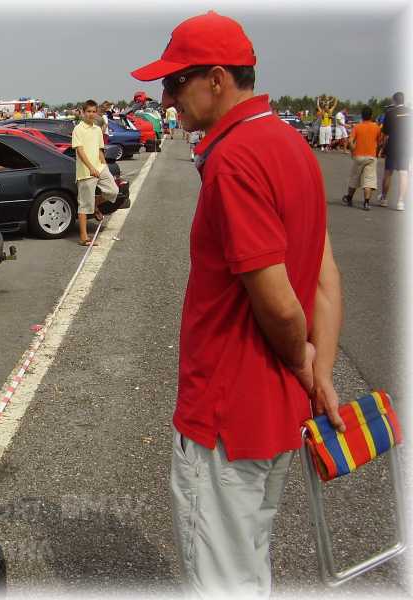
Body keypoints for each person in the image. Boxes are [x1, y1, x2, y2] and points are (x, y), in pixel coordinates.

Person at [131, 11, 345, 597]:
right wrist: (320, 372)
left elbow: (278, 302)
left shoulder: (234, 158)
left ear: (217, 79)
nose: (167, 98)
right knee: (249, 562)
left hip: (227, 411)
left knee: (221, 578)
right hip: (275, 410)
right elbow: (324, 275)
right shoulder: (291, 146)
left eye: (175, 82)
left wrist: (304, 361)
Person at [71, 99, 119, 247]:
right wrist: (91, 168)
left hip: (100, 167)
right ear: (83, 112)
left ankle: (95, 204)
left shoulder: (97, 130)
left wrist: (104, 166)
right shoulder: (78, 129)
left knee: (113, 191)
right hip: (85, 172)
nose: (91, 114)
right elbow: (80, 151)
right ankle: (84, 237)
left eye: (93, 111)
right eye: (88, 111)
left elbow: (99, 150)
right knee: (84, 206)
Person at [342, 106, 382, 211]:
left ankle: (349, 197)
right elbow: (379, 142)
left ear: (362, 116)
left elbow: (350, 141)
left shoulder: (357, 127)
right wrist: (377, 152)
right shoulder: (376, 127)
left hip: (359, 156)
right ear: (371, 116)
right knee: (369, 181)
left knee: (354, 177)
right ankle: (366, 202)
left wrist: (352, 151)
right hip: (371, 156)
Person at [378, 91, 411, 210]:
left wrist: (381, 148)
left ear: (394, 101)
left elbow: (385, 133)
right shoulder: (410, 112)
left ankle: (384, 198)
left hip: (393, 145)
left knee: (388, 173)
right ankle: (401, 202)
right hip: (406, 146)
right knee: (404, 173)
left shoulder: (390, 113)